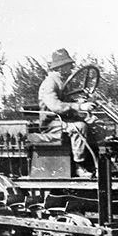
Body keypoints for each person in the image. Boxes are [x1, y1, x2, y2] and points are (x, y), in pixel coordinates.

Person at [38, 49, 96, 178]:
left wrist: (79, 102)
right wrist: (79, 106)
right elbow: (56, 106)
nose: (71, 68)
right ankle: (79, 166)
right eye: (69, 65)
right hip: (51, 123)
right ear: (60, 67)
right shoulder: (49, 83)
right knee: (79, 127)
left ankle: (95, 163)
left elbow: (67, 101)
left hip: (62, 120)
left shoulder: (61, 82)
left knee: (95, 123)